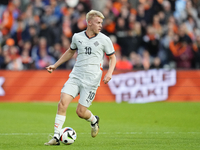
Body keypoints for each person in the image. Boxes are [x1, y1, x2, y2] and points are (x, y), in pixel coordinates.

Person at [44, 10, 116, 146]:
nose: (101, 25)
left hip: (91, 81)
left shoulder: (105, 39)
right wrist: (55, 65)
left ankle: (94, 120)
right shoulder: (77, 37)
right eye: (98, 22)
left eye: (101, 23)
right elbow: (70, 51)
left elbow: (112, 57)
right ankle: (56, 136)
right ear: (89, 22)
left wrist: (109, 73)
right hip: (76, 76)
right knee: (62, 103)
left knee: (80, 112)